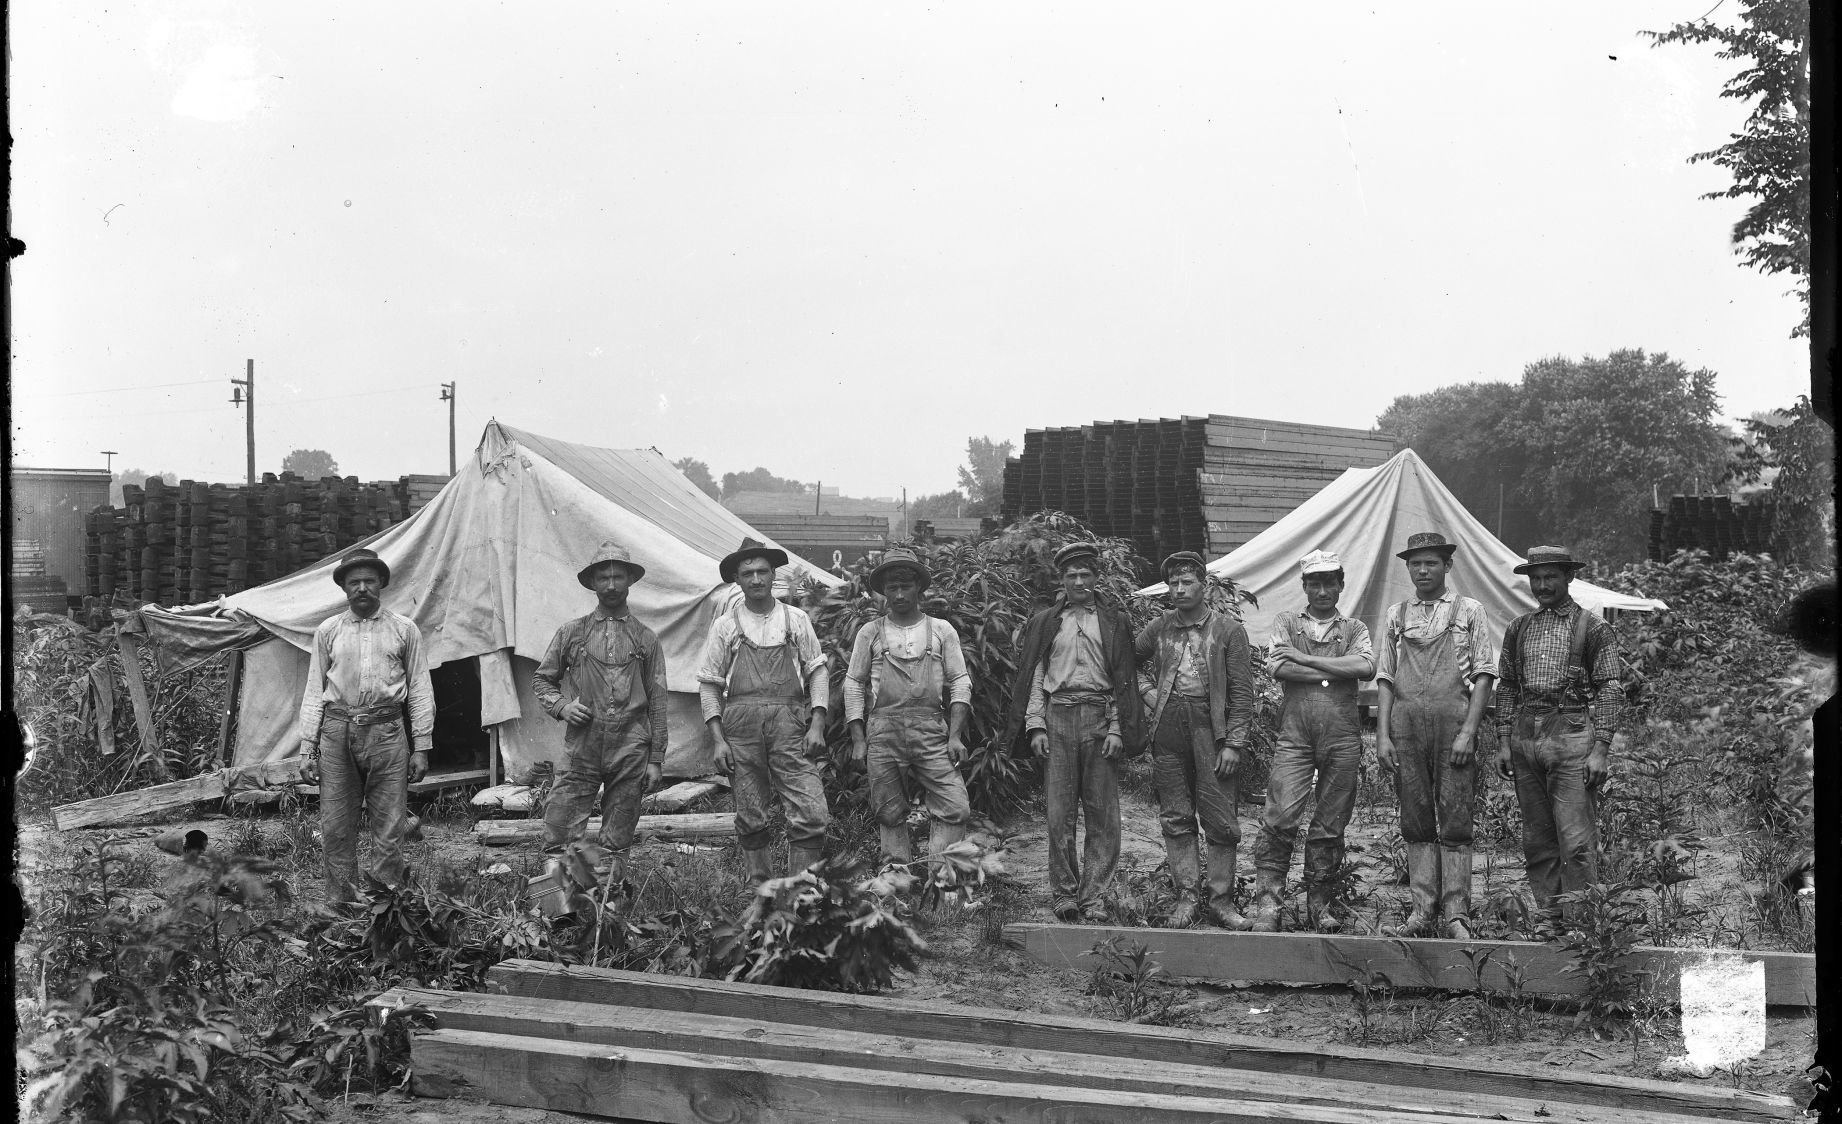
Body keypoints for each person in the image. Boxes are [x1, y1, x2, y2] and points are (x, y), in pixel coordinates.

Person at [1003, 541, 1142, 923]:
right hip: (1058, 716)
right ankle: (1064, 893)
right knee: (1058, 813)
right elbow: (1034, 674)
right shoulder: (1046, 621)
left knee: (1103, 815)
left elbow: (1123, 678)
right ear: (1061, 579)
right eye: (1071, 575)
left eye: (1085, 574)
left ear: (1097, 577)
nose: (1079, 581)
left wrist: (1116, 727)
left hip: (1099, 717)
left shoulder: (1114, 620)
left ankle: (1094, 895)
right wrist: (1035, 725)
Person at [1374, 532, 1498, 939]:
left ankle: (1456, 913)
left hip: (1453, 725)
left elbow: (1483, 674)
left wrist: (1468, 731)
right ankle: (1421, 909)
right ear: (1407, 568)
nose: (1423, 570)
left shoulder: (1469, 610)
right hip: (1406, 727)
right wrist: (1383, 736)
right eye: (1415, 564)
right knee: (1415, 818)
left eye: (1431, 563)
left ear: (1447, 566)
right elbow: (1387, 679)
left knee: (1456, 818)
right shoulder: (1396, 615)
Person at [1494, 546, 1625, 928]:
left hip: (1571, 734)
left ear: (1569, 577)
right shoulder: (1519, 627)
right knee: (1537, 837)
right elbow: (1507, 687)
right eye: (1535, 578)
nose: (1542, 585)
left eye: (1551, 576)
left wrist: (1600, 750)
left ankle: (1582, 923)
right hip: (1525, 736)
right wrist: (1503, 740)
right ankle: (1549, 916)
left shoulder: (1592, 626)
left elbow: (1611, 688)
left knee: (1577, 839)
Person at [297, 548, 435, 903]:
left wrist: (422, 746)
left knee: (389, 826)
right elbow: (315, 690)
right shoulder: (328, 630)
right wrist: (306, 749)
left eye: (369, 581)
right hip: (337, 732)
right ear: (344, 588)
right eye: (354, 582)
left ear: (382, 585)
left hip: (387, 732)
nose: (362, 588)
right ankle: (341, 905)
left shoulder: (404, 630)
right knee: (336, 826)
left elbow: (420, 688)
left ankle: (383, 905)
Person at [1250, 549, 1375, 933]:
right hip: (1296, 735)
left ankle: (1320, 906)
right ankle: (1268, 905)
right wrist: (1336, 668)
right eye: (1315, 583)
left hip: (1342, 737)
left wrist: (1308, 661)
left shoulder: (1355, 628)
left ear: (1340, 585)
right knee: (1280, 815)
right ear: (1305, 586)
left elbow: (1366, 667)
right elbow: (1277, 666)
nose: (1322, 590)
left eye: (1329, 583)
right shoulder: (1288, 621)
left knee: (1330, 822)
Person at [532, 541, 669, 886]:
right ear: (592, 583)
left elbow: (657, 700)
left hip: (631, 745)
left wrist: (656, 758)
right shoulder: (572, 632)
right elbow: (542, 679)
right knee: (561, 824)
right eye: (603, 577)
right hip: (583, 744)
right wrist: (562, 707)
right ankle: (563, 905)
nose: (611, 584)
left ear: (629, 581)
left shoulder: (646, 639)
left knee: (618, 833)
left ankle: (607, 910)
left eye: (618, 576)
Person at [698, 537, 831, 882]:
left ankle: (800, 891)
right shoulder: (725, 626)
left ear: (774, 575)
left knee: (811, 810)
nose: (755, 579)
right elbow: (710, 684)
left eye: (762, 571)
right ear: (738, 580)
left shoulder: (795, 619)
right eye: (747, 574)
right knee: (751, 812)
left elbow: (816, 670)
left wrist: (817, 722)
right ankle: (761, 891)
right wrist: (717, 740)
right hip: (740, 727)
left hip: (790, 724)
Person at [1135, 551, 1256, 929]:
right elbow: (1127, 660)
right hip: (1168, 729)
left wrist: (1234, 743)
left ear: (1205, 586)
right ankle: (1185, 899)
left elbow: (1242, 692)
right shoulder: (1159, 628)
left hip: (1212, 730)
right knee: (1176, 815)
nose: (1179, 589)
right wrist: (1147, 692)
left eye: (1188, 582)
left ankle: (1222, 902)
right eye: (1173, 583)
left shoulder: (1228, 630)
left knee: (1220, 818)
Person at [843, 546, 974, 866]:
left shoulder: (942, 630)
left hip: (931, 728)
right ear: (883, 592)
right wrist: (859, 740)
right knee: (888, 809)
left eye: (906, 586)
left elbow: (960, 682)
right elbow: (853, 684)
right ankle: (896, 885)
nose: (899, 594)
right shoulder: (869, 632)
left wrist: (955, 735)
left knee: (955, 805)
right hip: (883, 731)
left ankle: (941, 881)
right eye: (892, 588)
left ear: (919, 587)